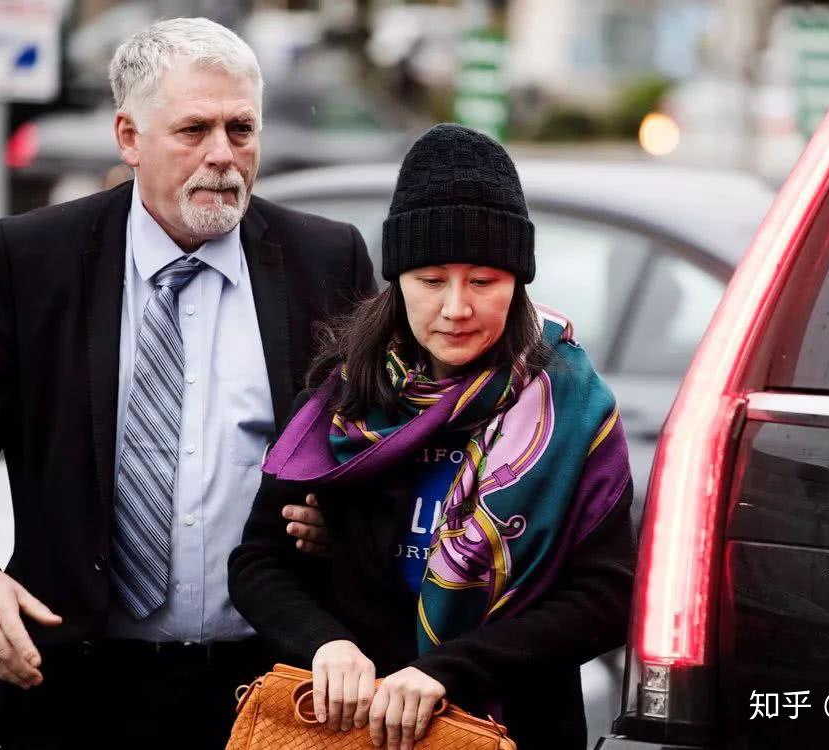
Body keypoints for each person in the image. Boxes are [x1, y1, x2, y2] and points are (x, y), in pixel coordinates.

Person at [0, 18, 374, 750]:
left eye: (241, 129)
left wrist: (346, 525)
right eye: (193, 130)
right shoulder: (31, 261)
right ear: (129, 137)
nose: (223, 155)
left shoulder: (325, 260)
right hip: (69, 686)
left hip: (267, 688)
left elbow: (379, 450)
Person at [228, 124, 635, 750]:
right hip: (354, 730)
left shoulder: (571, 409)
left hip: (513, 726)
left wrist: (448, 672)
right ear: (398, 280)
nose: (456, 308)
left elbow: (605, 598)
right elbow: (260, 561)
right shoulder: (344, 402)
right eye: (431, 279)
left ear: (518, 281)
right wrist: (326, 644)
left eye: (483, 280)